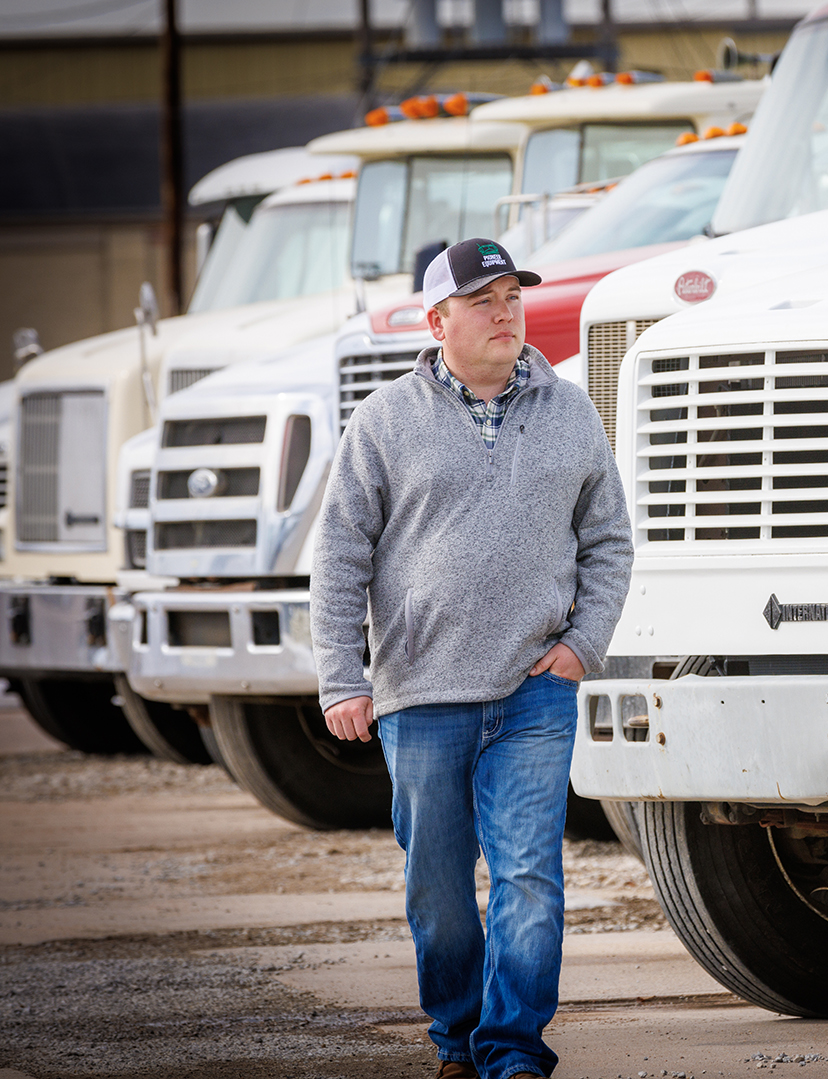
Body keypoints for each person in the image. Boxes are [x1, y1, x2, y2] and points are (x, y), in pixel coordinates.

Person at [311, 237, 633, 1079]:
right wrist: (344, 677)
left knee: (530, 877)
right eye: (483, 300)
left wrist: (580, 645)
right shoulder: (384, 420)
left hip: (534, 690)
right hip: (420, 696)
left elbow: (608, 541)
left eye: (513, 298)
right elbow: (339, 555)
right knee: (442, 894)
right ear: (438, 319)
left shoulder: (571, 412)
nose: (504, 313)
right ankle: (455, 1034)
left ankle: (512, 1050)